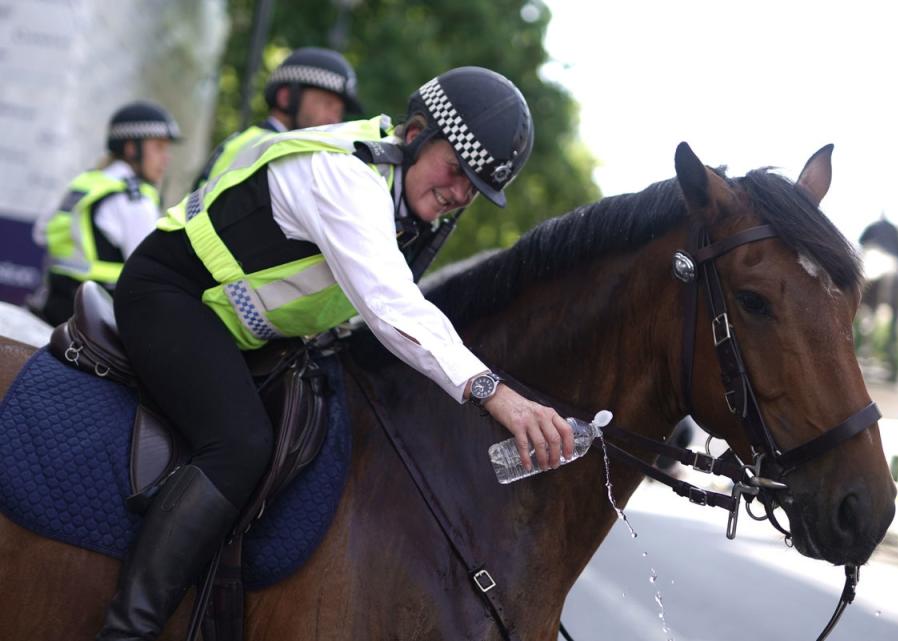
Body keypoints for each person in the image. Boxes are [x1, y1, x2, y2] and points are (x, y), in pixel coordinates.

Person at [98, 66, 574, 640]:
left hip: (240, 333)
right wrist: (494, 393)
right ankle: (129, 629)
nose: (459, 194)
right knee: (240, 446)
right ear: (416, 133)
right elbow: (390, 304)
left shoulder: (401, 203)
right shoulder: (346, 176)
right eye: (455, 171)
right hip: (171, 295)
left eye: (474, 189)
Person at [29, 101, 180, 326]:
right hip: (97, 321)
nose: (166, 158)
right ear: (131, 148)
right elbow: (153, 272)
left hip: (52, 306)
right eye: (158, 147)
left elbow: (41, 233)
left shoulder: (86, 183)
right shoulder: (134, 200)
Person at [193, 47, 363, 188]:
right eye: (327, 104)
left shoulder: (248, 141)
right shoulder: (271, 148)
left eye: (339, 112)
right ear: (286, 98)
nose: (334, 119)